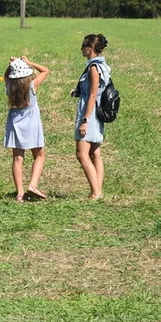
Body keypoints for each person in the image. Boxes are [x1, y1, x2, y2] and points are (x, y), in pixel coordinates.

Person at [3, 56, 50, 202]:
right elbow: (45, 70)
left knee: (18, 158)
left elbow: (6, 76)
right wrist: (29, 63)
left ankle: (20, 193)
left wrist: (11, 65)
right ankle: (33, 185)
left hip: (15, 123)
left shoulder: (10, 86)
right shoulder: (32, 85)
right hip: (31, 123)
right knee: (39, 155)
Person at [73, 34, 111, 200]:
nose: (81, 49)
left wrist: (85, 120)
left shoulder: (94, 68)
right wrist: (78, 91)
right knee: (95, 153)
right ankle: (98, 191)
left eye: (83, 45)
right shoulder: (102, 66)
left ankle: (95, 192)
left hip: (90, 114)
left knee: (82, 154)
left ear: (90, 48)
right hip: (95, 113)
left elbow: (93, 96)